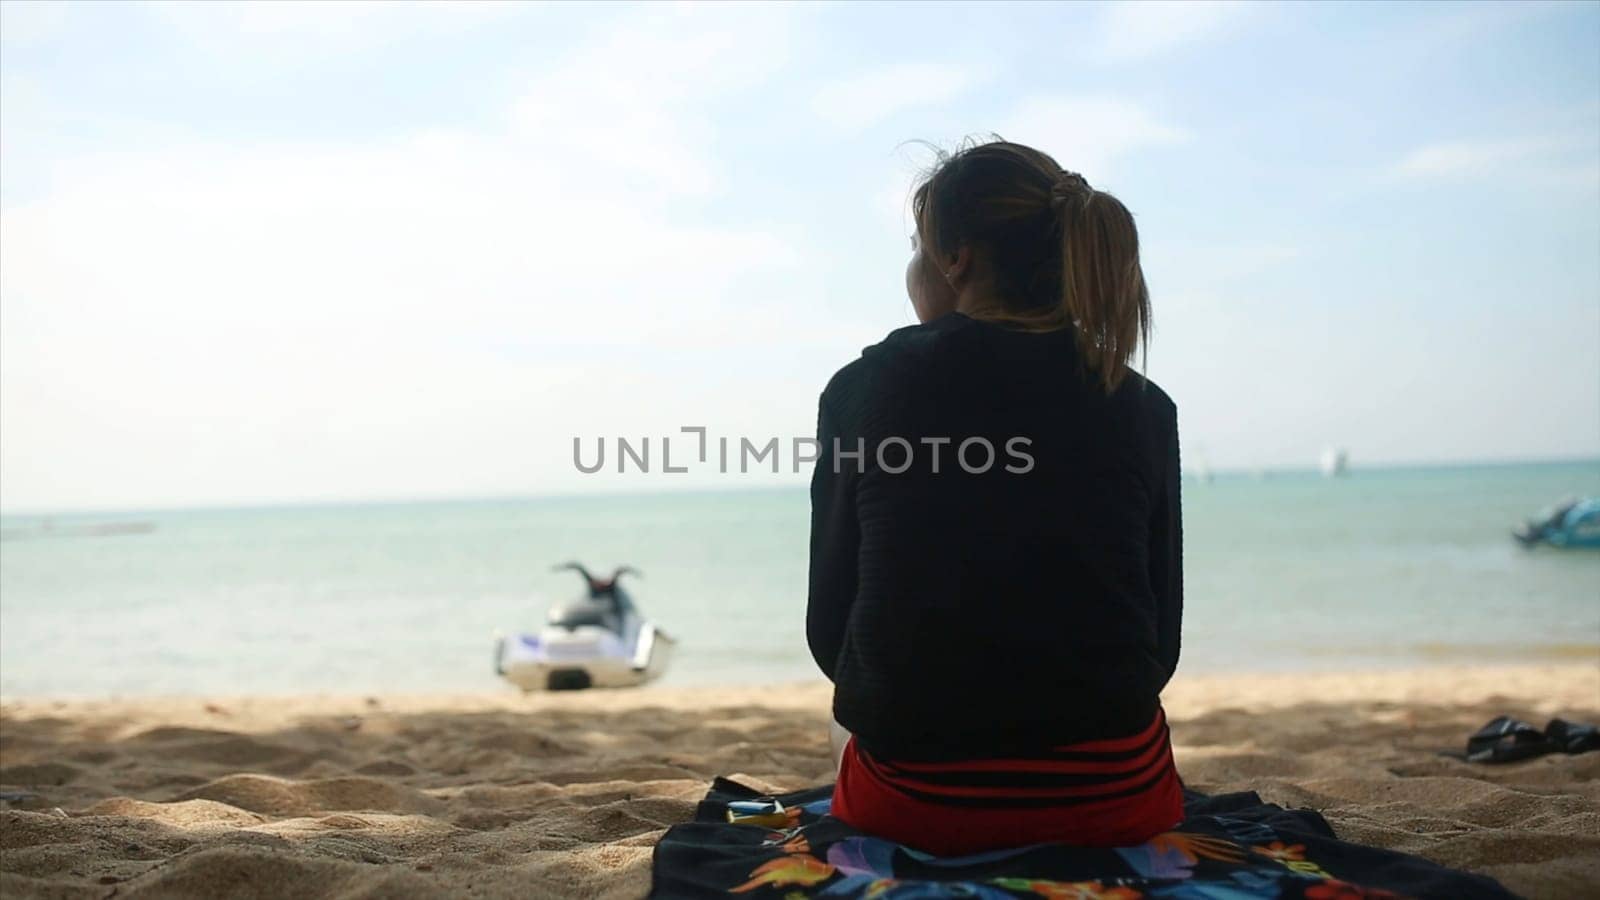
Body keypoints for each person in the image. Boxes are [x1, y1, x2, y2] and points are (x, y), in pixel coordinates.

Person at [807, 138, 1183, 855]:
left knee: (841, 725)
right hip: (1121, 797)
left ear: (955, 260)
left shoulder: (866, 389)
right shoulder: (1141, 403)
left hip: (920, 805)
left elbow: (832, 635)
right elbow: (1157, 648)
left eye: (920, 246)